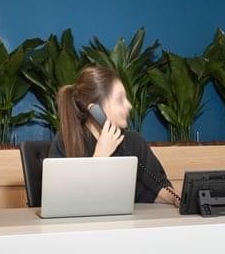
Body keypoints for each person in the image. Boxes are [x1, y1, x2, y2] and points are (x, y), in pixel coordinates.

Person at [47, 66, 179, 206]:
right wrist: (100, 157)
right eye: (120, 100)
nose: (129, 106)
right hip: (79, 227)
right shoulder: (67, 141)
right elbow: (61, 202)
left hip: (124, 226)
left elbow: (155, 190)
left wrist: (176, 197)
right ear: (94, 109)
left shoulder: (133, 142)